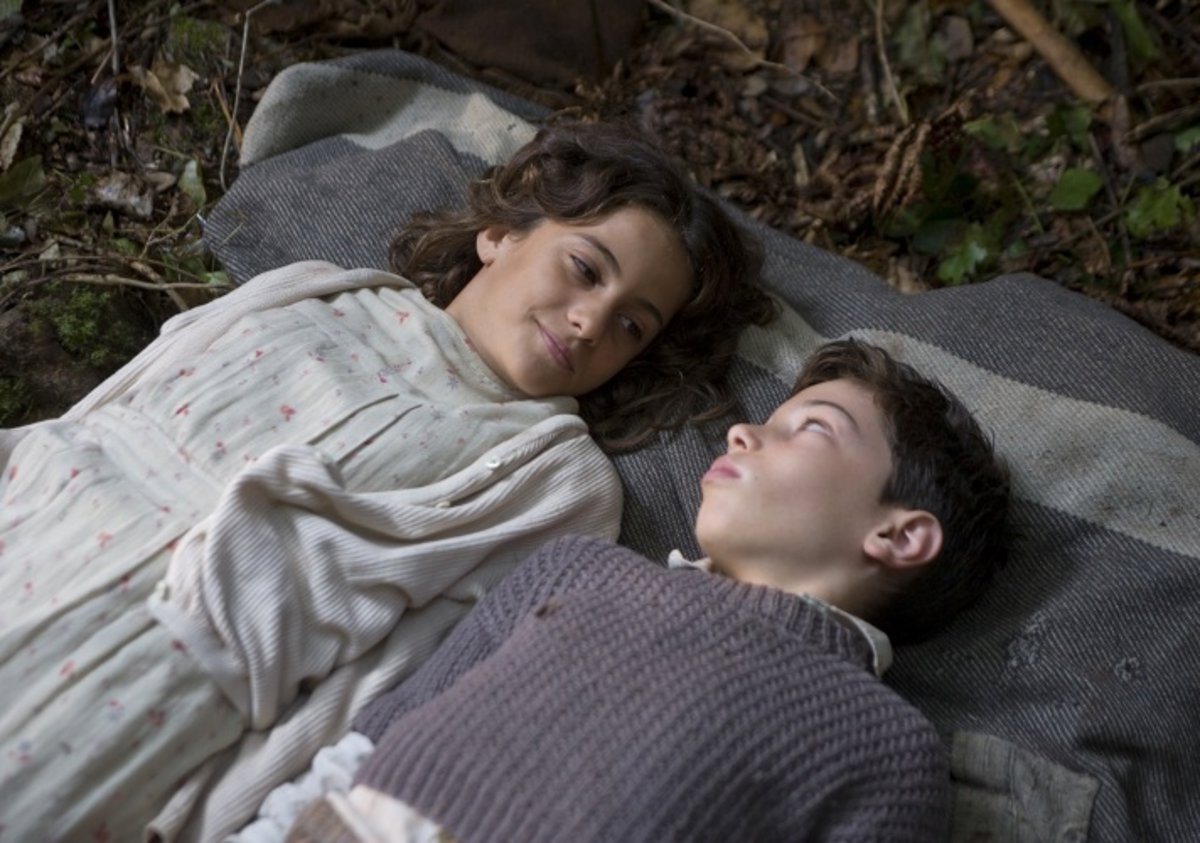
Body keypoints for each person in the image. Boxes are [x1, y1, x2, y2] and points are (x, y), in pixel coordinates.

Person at [0, 121, 775, 841]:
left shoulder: (556, 480)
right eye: (584, 269)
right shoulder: (319, 289)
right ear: (501, 234)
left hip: (140, 684)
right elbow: (106, 410)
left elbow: (395, 678)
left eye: (632, 324)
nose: (591, 322)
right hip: (35, 525)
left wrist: (218, 809)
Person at [283, 338, 1012, 842]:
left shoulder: (885, 746)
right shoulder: (576, 568)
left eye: (813, 429)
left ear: (898, 536)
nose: (741, 432)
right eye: (766, 418)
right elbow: (377, 732)